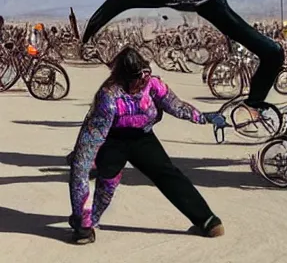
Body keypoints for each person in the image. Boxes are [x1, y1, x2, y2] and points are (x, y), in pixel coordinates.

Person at [68, 46, 226, 244]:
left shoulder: (153, 85)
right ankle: (86, 224)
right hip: (112, 139)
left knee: (167, 173)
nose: (143, 82)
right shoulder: (108, 98)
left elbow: (176, 106)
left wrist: (204, 117)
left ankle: (207, 220)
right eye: (138, 79)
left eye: (146, 76)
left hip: (143, 137)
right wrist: (80, 219)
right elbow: (84, 160)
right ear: (124, 79)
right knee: (107, 182)